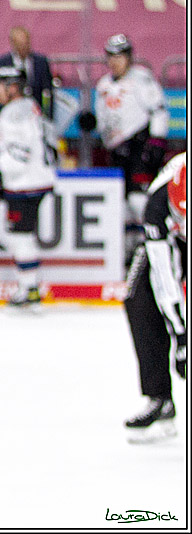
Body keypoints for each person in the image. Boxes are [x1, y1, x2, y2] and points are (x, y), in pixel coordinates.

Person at [0, 65, 56, 310]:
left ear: (13, 87)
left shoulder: (14, 114)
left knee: (19, 236)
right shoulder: (28, 108)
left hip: (25, 183)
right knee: (21, 235)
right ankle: (29, 286)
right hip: (32, 180)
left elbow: (19, 155)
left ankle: (29, 288)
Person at [122, 152, 186, 443]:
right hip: (168, 242)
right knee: (137, 297)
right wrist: (181, 337)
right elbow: (165, 277)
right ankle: (160, 398)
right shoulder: (157, 206)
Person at [87, 34, 169, 243]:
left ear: (129, 57)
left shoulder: (141, 79)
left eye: (120, 56)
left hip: (139, 148)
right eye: (111, 56)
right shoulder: (103, 84)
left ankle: (154, 242)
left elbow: (159, 111)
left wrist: (156, 143)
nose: (115, 61)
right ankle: (131, 249)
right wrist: (90, 122)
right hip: (115, 150)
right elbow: (105, 119)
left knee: (138, 200)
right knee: (120, 203)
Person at [0, 26, 54, 122]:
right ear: (13, 43)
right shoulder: (1, 63)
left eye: (26, 43)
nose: (24, 47)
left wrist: (48, 119)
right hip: (10, 117)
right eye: (21, 43)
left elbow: (48, 91)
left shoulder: (41, 62)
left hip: (34, 115)